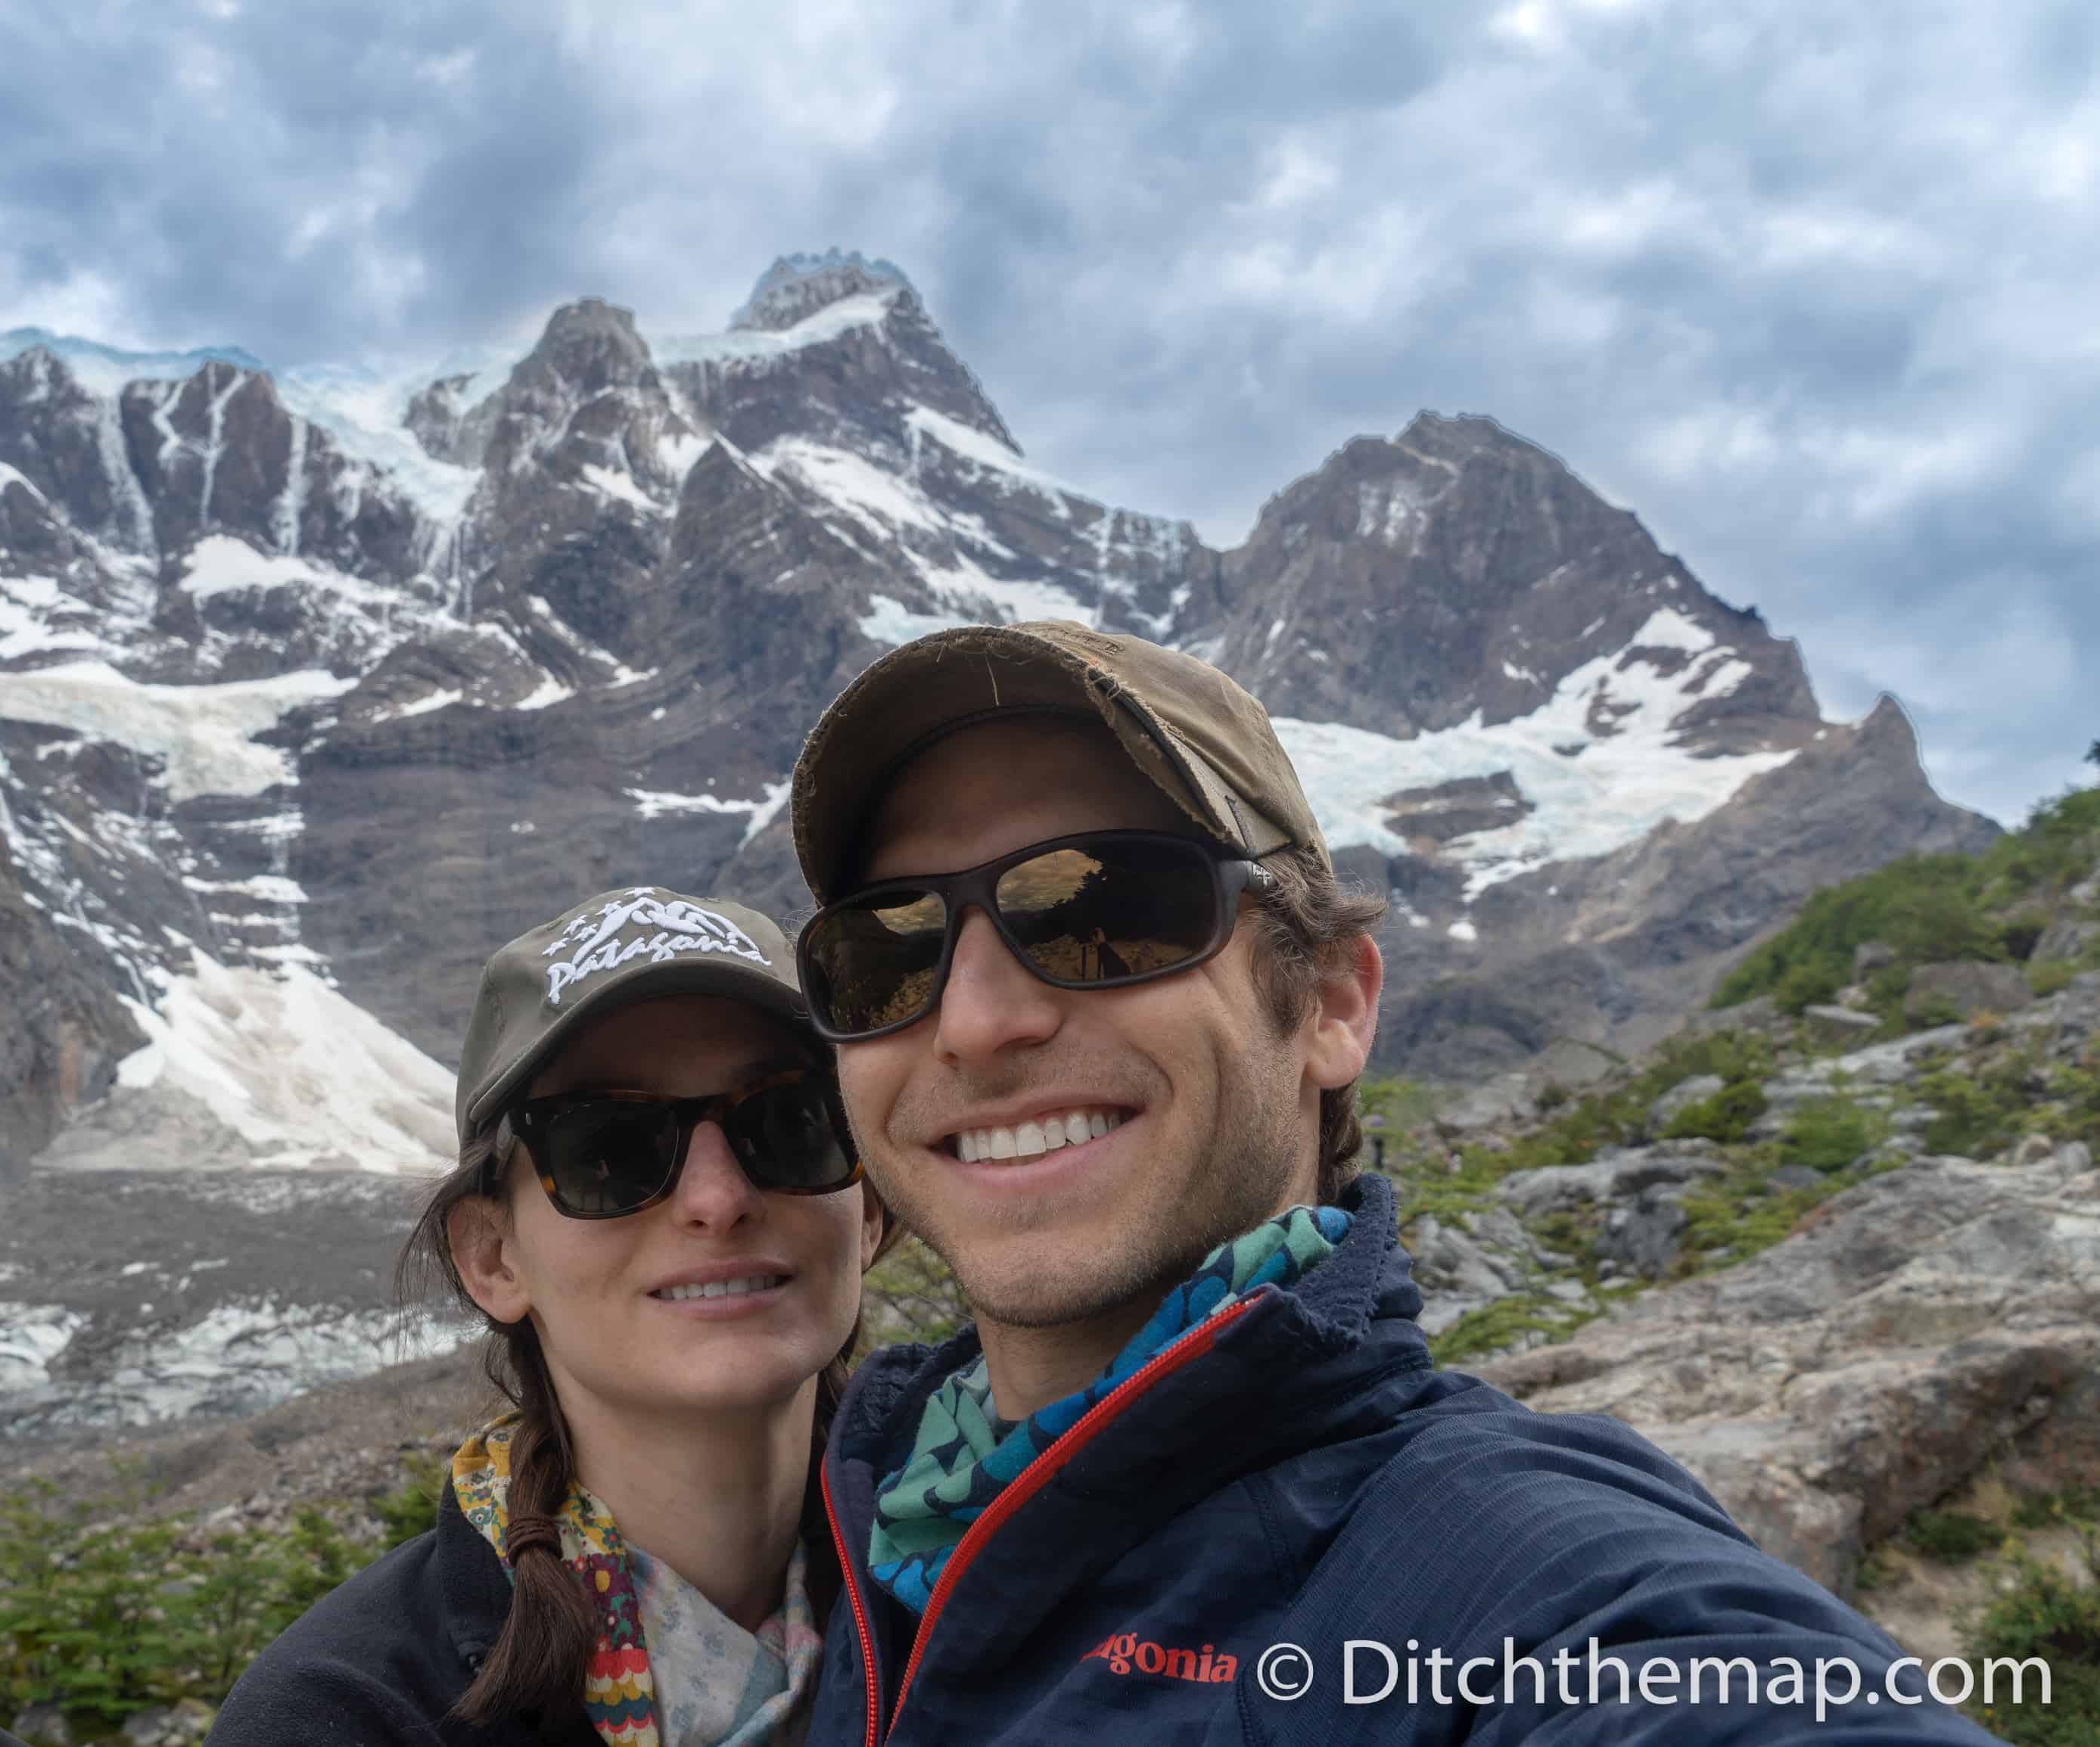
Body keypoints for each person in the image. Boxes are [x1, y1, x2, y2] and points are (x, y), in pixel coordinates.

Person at [782, 622, 1995, 1744]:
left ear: (1329, 1003)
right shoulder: (859, 1509)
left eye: (1109, 909)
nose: (977, 1022)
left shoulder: (1503, 1579)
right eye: (886, 953)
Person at [211, 886, 885, 1747]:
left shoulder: (1017, 1579)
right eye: (608, 1148)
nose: (717, 1198)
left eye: (790, 1121)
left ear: (866, 1208)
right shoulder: (345, 1716)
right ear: (493, 1256)